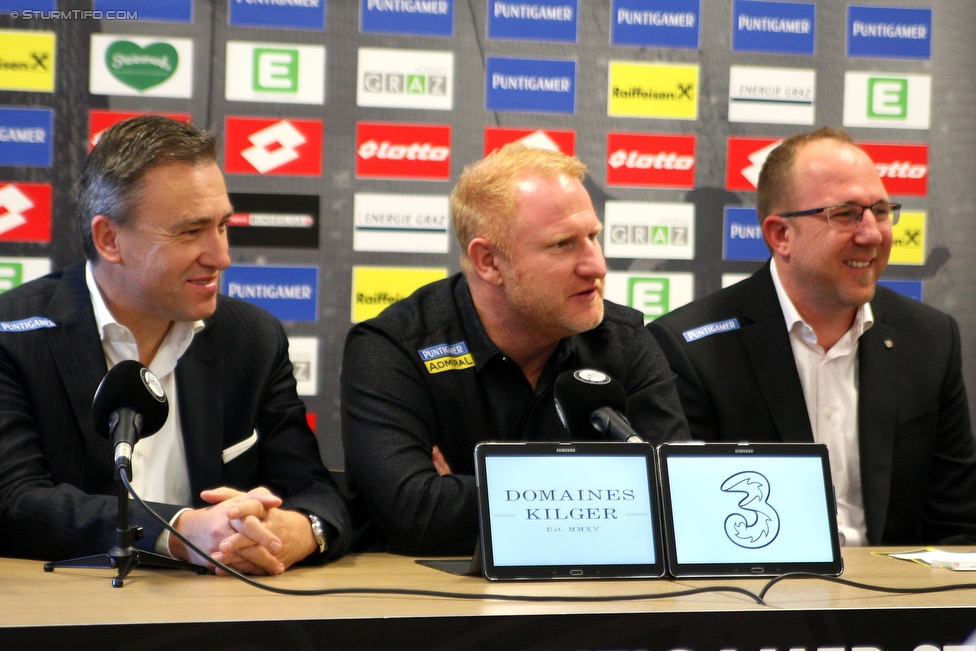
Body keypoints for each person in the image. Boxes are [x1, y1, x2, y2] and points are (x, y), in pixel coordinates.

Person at [0, 116, 350, 574]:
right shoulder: (14, 335)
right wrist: (182, 531)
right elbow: (14, 502)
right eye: (190, 232)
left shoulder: (252, 338)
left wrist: (295, 531)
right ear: (110, 239)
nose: (221, 255)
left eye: (223, 225)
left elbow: (315, 490)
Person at [341, 143, 690, 555]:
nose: (596, 266)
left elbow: (677, 497)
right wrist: (611, 491)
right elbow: (415, 515)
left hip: (601, 599)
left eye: (593, 236)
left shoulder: (623, 338)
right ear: (488, 261)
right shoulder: (394, 349)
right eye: (562, 244)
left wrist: (472, 489)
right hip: (443, 607)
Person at [648, 127, 976, 546]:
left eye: (880, 210)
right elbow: (694, 533)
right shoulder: (692, 349)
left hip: (899, 601)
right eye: (845, 214)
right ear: (781, 235)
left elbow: (957, 527)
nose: (872, 234)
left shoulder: (930, 338)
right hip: (762, 602)